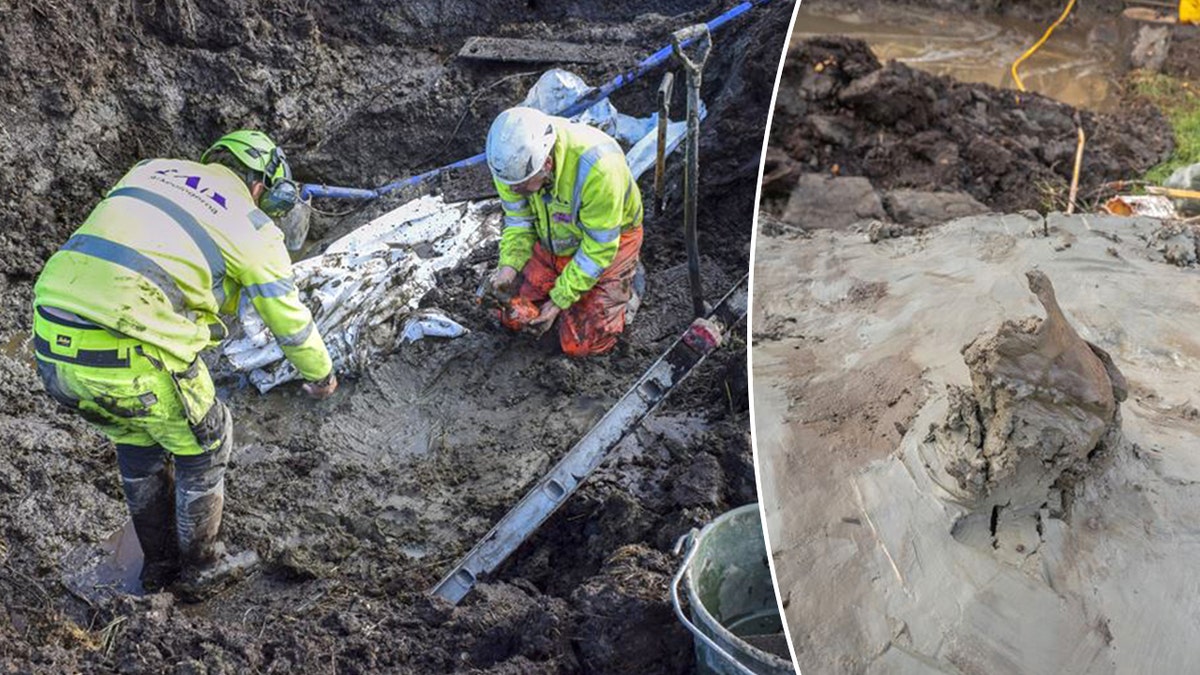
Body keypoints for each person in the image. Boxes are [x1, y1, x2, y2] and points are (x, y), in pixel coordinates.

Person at [32, 130, 337, 598]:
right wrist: (320, 374)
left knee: (137, 436)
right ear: (263, 186)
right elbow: (289, 321)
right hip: (133, 350)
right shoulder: (253, 227)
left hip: (52, 345)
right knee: (208, 440)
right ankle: (201, 568)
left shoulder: (149, 169)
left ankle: (157, 567)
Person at [484, 106, 644, 357]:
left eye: (522, 187)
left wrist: (558, 300)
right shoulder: (511, 168)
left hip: (608, 242)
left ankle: (628, 285)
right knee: (510, 315)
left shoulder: (599, 169)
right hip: (553, 236)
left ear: (546, 164)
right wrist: (507, 269)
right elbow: (519, 221)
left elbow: (597, 249)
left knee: (582, 343)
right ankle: (565, 280)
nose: (513, 191)